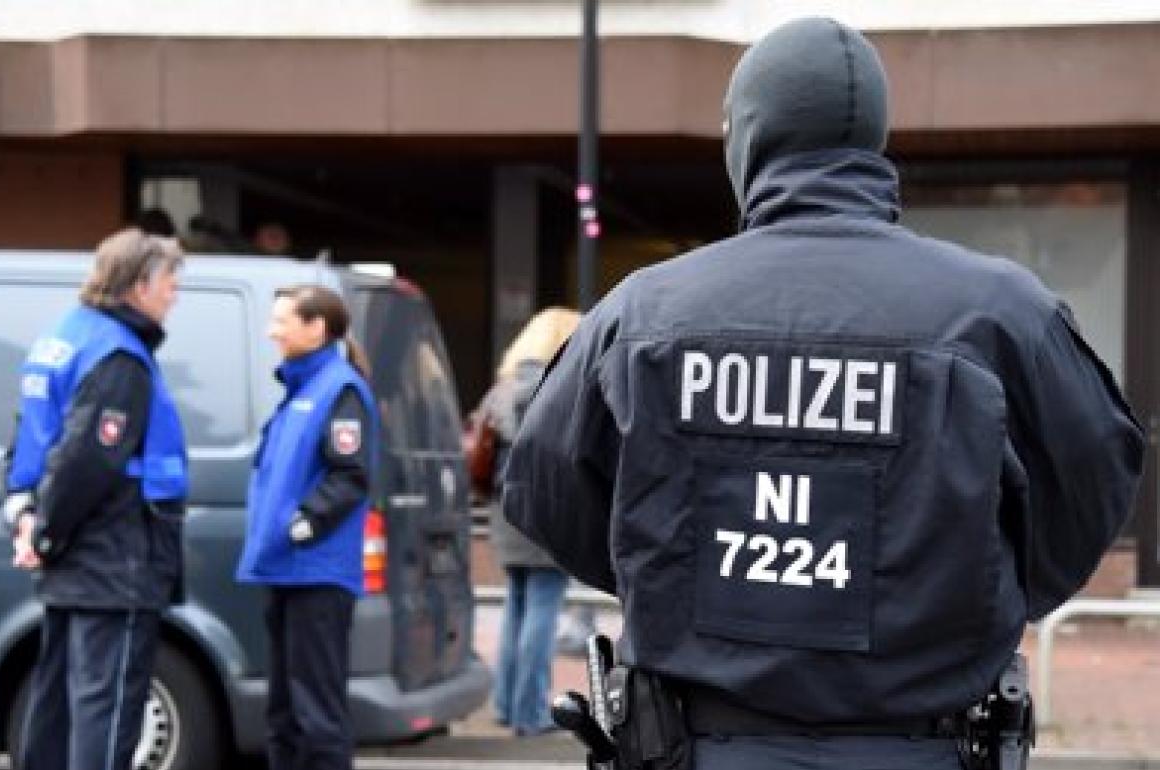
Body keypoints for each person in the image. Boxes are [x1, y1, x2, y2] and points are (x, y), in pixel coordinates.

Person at [503, 16, 1144, 770]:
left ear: (747, 141)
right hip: (921, 746)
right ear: (874, 141)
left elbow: (543, 487)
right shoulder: (1000, 313)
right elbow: (1094, 480)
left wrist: (673, 580)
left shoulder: (642, 315)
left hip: (702, 748)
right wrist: (974, 594)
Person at [3, 228, 188, 770]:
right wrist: (45, 533)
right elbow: (88, 459)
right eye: (170, 282)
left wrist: (26, 515)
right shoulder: (119, 357)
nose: (175, 294)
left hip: (75, 558)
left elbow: (29, 436)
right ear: (139, 285)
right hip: (116, 559)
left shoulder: (64, 337)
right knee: (105, 711)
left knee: (58, 704)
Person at [236, 285, 379, 770]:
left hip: (315, 571)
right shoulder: (302, 388)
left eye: (282, 321)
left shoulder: (338, 390)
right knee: (284, 714)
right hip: (285, 567)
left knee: (317, 715)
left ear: (316, 329)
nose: (271, 331)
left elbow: (350, 474)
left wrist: (304, 524)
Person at [474, 307, 581, 736]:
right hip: (544, 510)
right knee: (542, 609)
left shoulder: (501, 389)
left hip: (504, 511)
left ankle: (505, 704)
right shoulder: (556, 385)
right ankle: (531, 712)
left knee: (516, 606)